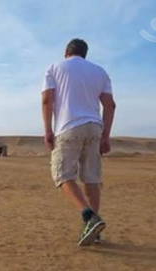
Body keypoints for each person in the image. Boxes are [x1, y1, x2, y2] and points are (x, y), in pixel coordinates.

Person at [41, 38, 116, 246]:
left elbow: (47, 100)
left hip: (69, 126)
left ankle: (89, 217)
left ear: (67, 52)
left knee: (62, 175)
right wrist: (106, 135)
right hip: (94, 127)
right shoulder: (100, 72)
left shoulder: (55, 68)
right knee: (92, 178)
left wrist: (48, 130)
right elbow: (110, 106)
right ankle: (95, 231)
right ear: (85, 54)